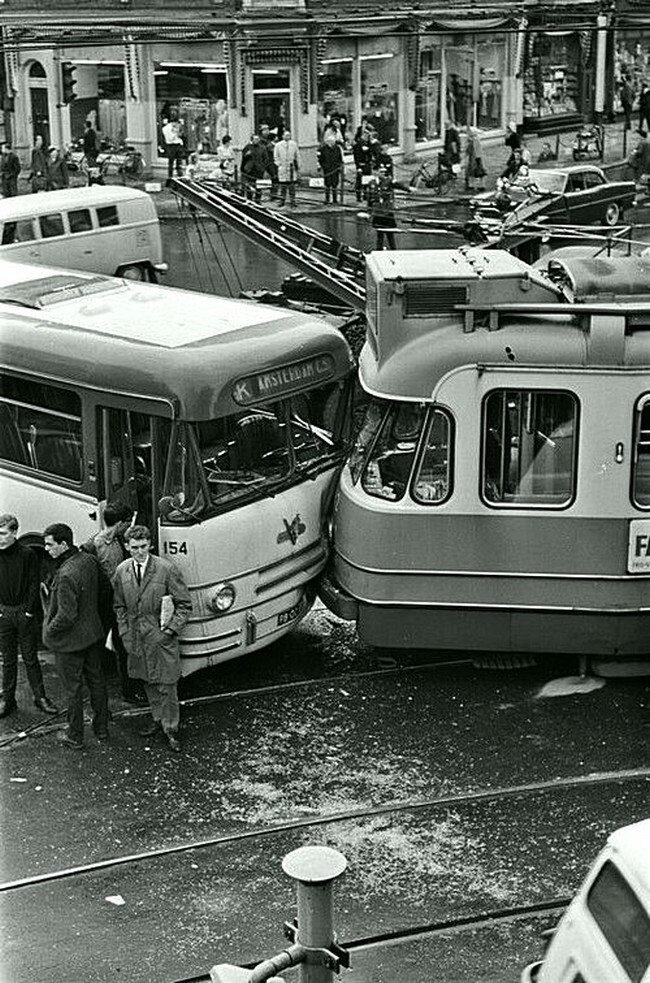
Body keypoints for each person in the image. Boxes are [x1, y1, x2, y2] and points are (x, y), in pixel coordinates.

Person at [113, 525, 192, 753]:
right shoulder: (122, 571)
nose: (139, 552)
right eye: (135, 547)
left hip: (160, 635)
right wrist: (125, 632)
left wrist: (169, 632)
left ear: (151, 545)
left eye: (144, 547)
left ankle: (171, 729)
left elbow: (184, 605)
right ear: (127, 547)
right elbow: (119, 605)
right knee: (147, 681)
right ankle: (157, 720)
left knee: (167, 684)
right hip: (136, 637)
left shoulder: (166, 569)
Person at [41, 523, 109, 748]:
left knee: (73, 690)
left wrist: (48, 631)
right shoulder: (87, 560)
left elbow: (66, 616)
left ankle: (75, 735)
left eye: (50, 544)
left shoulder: (65, 574)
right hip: (93, 633)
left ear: (63, 544)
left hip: (70, 642)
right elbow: (103, 590)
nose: (46, 549)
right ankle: (102, 728)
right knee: (97, 681)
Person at [81, 501, 146, 706]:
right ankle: (121, 686)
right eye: (126, 522)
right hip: (105, 600)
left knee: (123, 641)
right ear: (118, 523)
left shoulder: (119, 539)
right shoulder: (93, 546)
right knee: (107, 640)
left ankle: (123, 683)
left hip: (120, 598)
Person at [0, 514, 57, 719]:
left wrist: (29, 611)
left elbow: (34, 583)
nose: (0, 538)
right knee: (7, 660)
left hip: (23, 612)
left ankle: (40, 697)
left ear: (14, 533)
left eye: (3, 533)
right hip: (4, 612)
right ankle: (8, 699)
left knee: (30, 658)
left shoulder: (27, 554)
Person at [368, 176, 397, 250]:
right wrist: (369, 212)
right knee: (380, 235)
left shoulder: (388, 182)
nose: (383, 174)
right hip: (378, 213)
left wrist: (408, 189)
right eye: (381, 172)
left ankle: (394, 251)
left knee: (390, 235)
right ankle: (379, 250)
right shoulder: (373, 183)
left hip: (387, 212)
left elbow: (398, 185)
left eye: (384, 172)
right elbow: (370, 199)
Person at [274, 129, 300, 208]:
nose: (287, 137)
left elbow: (297, 155)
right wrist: (279, 164)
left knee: (292, 186)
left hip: (291, 167)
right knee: (283, 186)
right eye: (286, 135)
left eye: (289, 135)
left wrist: (298, 165)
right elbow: (276, 156)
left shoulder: (294, 144)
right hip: (283, 167)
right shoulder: (278, 145)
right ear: (282, 136)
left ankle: (293, 200)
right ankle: (282, 200)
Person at [317, 131, 344, 205]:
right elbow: (320, 159)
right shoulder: (323, 149)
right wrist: (323, 166)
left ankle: (335, 199)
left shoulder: (337, 149)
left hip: (335, 169)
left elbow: (340, 158)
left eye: (333, 142)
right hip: (327, 169)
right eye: (331, 142)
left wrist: (339, 165)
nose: (332, 143)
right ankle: (327, 199)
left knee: (335, 185)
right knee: (327, 185)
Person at [240, 134, 267, 203]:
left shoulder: (262, 148)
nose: (257, 141)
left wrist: (263, 168)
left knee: (259, 187)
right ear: (252, 140)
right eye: (255, 139)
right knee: (250, 186)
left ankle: (258, 200)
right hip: (250, 170)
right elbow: (243, 159)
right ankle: (250, 200)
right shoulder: (247, 147)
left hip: (259, 170)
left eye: (258, 139)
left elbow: (265, 159)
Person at [162, 110, 184, 184]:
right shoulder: (168, 129)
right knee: (174, 162)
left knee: (174, 162)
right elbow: (171, 138)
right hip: (173, 145)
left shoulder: (166, 128)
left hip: (174, 145)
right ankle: (172, 177)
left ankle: (173, 176)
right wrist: (176, 131)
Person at [353, 130, 374, 202]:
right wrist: (358, 166)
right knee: (359, 182)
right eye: (365, 136)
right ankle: (358, 197)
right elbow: (356, 156)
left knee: (367, 181)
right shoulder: (358, 144)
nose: (367, 137)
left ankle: (365, 195)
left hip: (367, 165)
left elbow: (370, 152)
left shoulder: (368, 143)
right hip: (361, 165)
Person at [259, 124, 278, 199]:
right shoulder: (260, 140)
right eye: (265, 130)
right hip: (263, 161)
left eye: (267, 129)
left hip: (271, 161)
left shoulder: (270, 139)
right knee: (260, 178)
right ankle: (259, 195)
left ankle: (274, 194)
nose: (267, 131)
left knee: (275, 178)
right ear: (261, 131)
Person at [465, 125, 486, 191]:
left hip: (474, 159)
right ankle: (479, 185)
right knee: (477, 172)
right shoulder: (475, 140)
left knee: (474, 172)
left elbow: (471, 151)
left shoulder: (474, 141)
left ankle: (474, 185)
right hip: (476, 158)